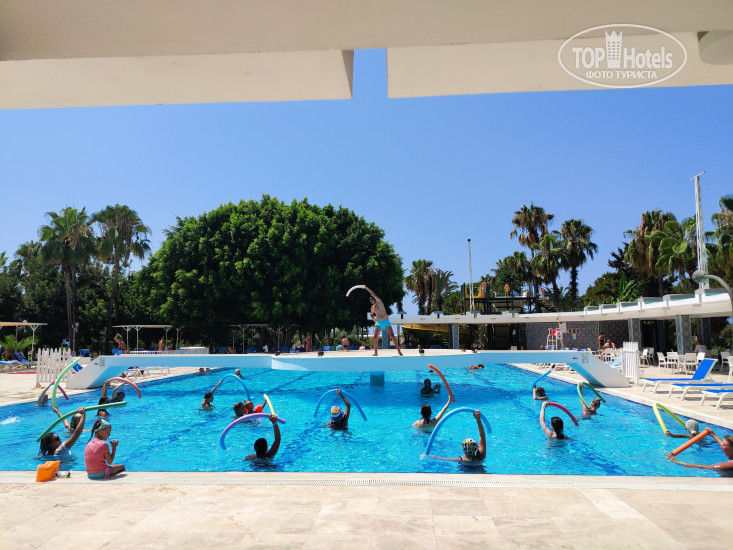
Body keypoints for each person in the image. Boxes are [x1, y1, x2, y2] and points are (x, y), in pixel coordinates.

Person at [666, 433, 733, 474]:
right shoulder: (729, 450)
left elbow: (705, 467)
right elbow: (722, 444)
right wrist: (713, 434)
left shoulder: (731, 463)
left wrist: (679, 462)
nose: (721, 446)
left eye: (724, 445)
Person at [364, 286, 402, 356]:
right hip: (379, 323)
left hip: (386, 322)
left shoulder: (379, 302)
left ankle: (399, 351)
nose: (370, 300)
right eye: (370, 299)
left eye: (371, 299)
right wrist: (374, 320)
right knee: (375, 337)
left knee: (392, 336)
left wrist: (366, 288)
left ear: (374, 299)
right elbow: (371, 315)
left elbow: (374, 294)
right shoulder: (372, 308)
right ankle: (376, 352)